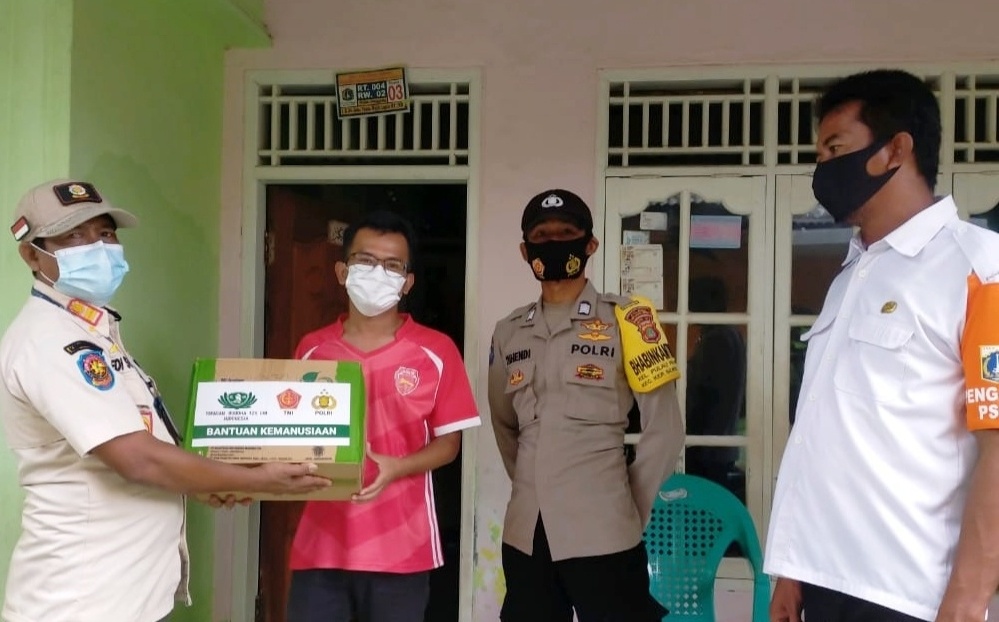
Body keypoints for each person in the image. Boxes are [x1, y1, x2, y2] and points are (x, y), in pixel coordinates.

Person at [0, 179, 331, 622]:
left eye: (104, 233)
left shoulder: (90, 332)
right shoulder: (50, 340)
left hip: (122, 595)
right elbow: (137, 459)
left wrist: (203, 480)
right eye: (73, 237)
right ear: (31, 254)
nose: (97, 247)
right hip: (79, 600)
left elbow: (144, 445)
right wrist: (258, 480)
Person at [766, 69, 999, 622]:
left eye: (835, 147)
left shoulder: (979, 269)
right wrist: (793, 570)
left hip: (908, 597)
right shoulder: (851, 277)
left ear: (896, 149)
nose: (821, 167)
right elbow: (830, 436)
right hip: (823, 584)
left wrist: (966, 603)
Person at [488, 188, 684, 621]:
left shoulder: (630, 318)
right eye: (542, 234)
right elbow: (505, 427)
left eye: (567, 232)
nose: (554, 241)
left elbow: (665, 430)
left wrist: (626, 503)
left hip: (606, 530)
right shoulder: (508, 332)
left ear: (589, 244)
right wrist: (537, 481)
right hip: (527, 533)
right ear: (525, 250)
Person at [286, 210, 481, 622]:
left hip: (403, 550)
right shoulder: (311, 349)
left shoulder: (437, 350)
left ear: (407, 282)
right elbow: (291, 434)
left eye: (392, 265)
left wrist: (398, 467)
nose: (378, 273)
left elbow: (449, 444)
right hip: (321, 546)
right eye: (365, 261)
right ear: (342, 271)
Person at [684, 276, 746, 499]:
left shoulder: (718, 340)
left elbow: (703, 395)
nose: (689, 304)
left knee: (701, 509)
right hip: (718, 445)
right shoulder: (729, 335)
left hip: (707, 447)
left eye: (694, 298)